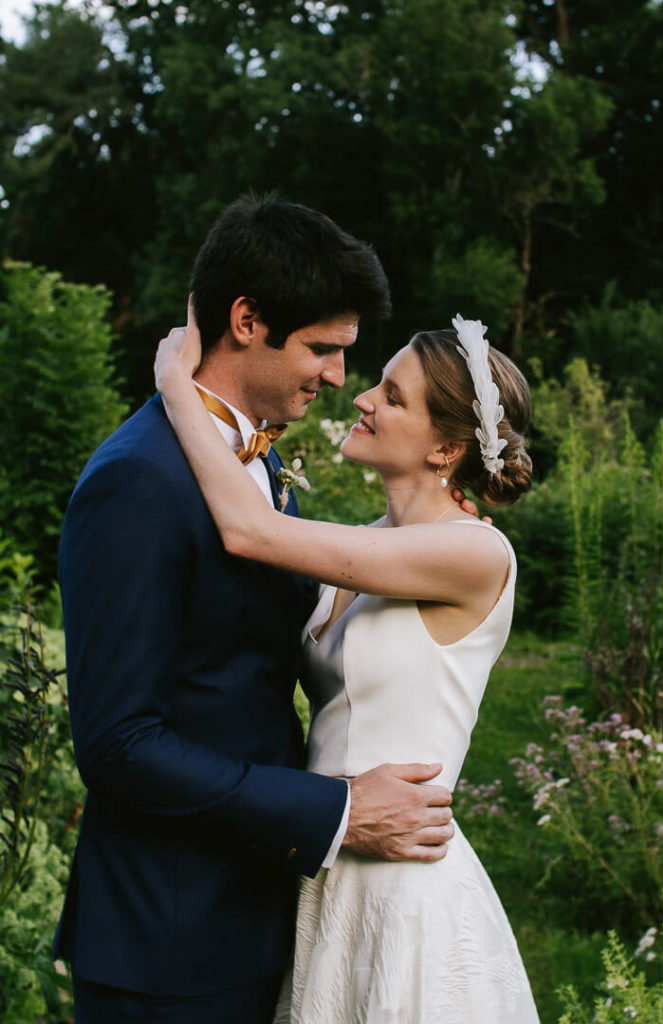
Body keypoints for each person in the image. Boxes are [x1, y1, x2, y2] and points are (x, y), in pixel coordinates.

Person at [54, 194, 457, 1024]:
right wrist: (339, 812)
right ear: (245, 321)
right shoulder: (138, 481)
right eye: (322, 349)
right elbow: (119, 743)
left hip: (256, 914)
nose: (338, 378)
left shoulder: (255, 463)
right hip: (169, 942)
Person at [154, 305, 541, 1023]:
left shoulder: (474, 552)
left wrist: (177, 386)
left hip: (403, 883)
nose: (361, 398)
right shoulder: (362, 544)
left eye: (392, 396)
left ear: (444, 449)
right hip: (328, 858)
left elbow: (249, 530)